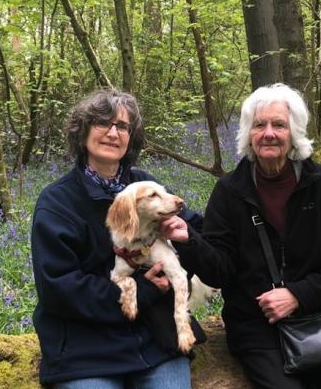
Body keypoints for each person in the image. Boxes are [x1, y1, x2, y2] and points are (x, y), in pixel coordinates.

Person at [169, 83, 321, 388]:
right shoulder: (230, 191)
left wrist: (298, 295)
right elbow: (219, 271)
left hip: (320, 320)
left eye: (279, 125)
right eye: (259, 125)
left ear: (294, 132)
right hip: (256, 328)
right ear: (248, 133)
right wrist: (190, 241)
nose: (268, 133)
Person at [30, 89, 203, 388]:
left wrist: (188, 239)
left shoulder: (145, 185)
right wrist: (144, 291)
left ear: (130, 137)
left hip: (154, 340)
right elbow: (58, 289)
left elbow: (194, 230)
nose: (113, 133)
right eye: (102, 123)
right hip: (85, 349)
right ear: (82, 132)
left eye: (122, 126)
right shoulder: (57, 202)